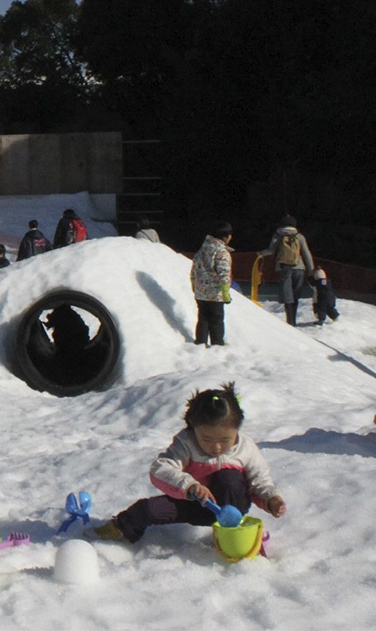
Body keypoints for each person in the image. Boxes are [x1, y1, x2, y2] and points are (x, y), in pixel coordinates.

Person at [95, 382, 286, 543]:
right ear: (194, 428)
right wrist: (190, 486)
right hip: (196, 505)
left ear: (237, 429)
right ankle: (120, 529)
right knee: (149, 509)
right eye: (207, 439)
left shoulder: (245, 448)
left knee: (228, 477)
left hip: (232, 509)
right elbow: (160, 468)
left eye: (225, 440)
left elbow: (259, 479)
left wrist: (270, 499)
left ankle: (231, 534)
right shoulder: (186, 443)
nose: (217, 448)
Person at [258, 215, 314, 326]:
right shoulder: (299, 236)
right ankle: (294, 319)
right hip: (299, 268)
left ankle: (290, 322)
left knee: (287, 295)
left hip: (284, 268)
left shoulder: (278, 235)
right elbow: (307, 254)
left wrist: (260, 253)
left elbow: (271, 250)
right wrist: (311, 270)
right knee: (296, 294)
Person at [191, 220, 233, 347]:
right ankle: (217, 343)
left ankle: (201, 342)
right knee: (216, 319)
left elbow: (194, 269)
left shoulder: (202, 249)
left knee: (203, 318)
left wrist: (194, 284)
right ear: (225, 236)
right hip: (215, 293)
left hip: (201, 292)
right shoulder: (221, 252)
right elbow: (224, 272)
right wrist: (225, 291)